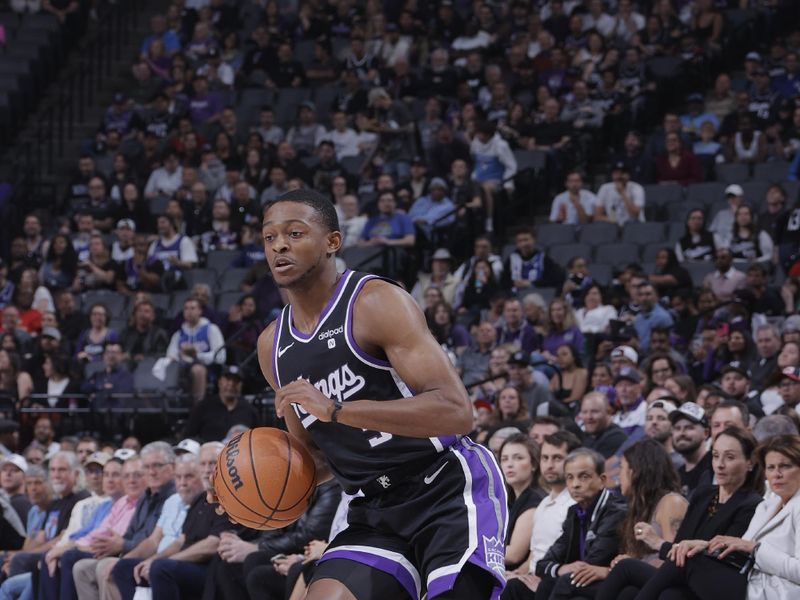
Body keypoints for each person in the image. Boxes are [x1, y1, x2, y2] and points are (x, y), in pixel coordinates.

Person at [241, 189, 509, 599]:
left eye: (295, 233)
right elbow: (313, 460)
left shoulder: (375, 302)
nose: (279, 245)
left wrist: (338, 409)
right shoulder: (271, 347)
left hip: (446, 488)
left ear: (333, 242)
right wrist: (242, 485)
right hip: (372, 508)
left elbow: (456, 411)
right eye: (269, 237)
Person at [620, 427, 764, 600]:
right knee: (633, 584)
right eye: (716, 455)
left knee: (662, 575)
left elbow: (722, 554)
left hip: (715, 582)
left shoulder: (751, 504)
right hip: (682, 574)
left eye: (730, 457)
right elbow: (680, 545)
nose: (720, 464)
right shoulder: (703, 494)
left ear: (750, 462)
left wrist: (660, 544)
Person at [703, 434, 800, 599]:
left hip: (777, 594)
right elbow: (743, 549)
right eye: (770, 467)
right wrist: (704, 545)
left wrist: (755, 549)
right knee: (675, 588)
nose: (776, 474)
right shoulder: (765, 506)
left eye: (785, 466)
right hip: (749, 585)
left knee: (689, 565)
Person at [533, 448, 627, 600]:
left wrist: (564, 570)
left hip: (611, 584)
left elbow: (591, 564)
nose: (575, 484)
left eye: (583, 477)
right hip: (579, 583)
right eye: (569, 477)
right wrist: (561, 568)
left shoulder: (615, 512)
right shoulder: (574, 512)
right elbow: (542, 565)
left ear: (602, 480)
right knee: (529, 585)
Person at [503, 431, 581, 598]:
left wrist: (541, 577)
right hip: (534, 577)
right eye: (545, 458)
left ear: (573, 461)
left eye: (557, 458)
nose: (549, 465)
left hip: (553, 582)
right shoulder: (544, 504)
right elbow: (534, 553)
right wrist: (519, 572)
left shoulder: (575, 504)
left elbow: (570, 557)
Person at [499, 434, 546, 571]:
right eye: (504, 459)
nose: (509, 464)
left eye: (518, 458)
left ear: (534, 464)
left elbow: (515, 554)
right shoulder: (509, 497)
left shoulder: (535, 500)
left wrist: (471, 552)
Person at [166, 298, 226, 402]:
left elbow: (220, 357)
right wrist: (180, 355)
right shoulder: (178, 334)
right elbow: (170, 356)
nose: (189, 311)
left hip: (208, 370)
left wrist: (196, 355)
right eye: (186, 308)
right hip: (182, 370)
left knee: (197, 370)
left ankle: (197, 407)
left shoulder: (211, 329)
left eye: (193, 308)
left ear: (200, 311)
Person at [183, 366, 258, 442]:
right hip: (210, 451)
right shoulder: (203, 406)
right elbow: (188, 436)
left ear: (241, 385)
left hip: (240, 453)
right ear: (219, 382)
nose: (231, 384)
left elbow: (258, 439)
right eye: (228, 379)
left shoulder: (249, 410)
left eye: (236, 381)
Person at [594, 162, 645, 226]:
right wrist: (611, 220)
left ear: (628, 175)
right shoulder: (605, 188)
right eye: (616, 173)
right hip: (613, 226)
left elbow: (635, 215)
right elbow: (597, 216)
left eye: (622, 173)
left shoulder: (637, 188)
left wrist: (622, 192)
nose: (619, 176)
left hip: (634, 226)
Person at [580, 392, 628, 459]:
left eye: (594, 411)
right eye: (584, 412)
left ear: (608, 412)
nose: (589, 417)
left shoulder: (616, 438)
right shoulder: (586, 436)